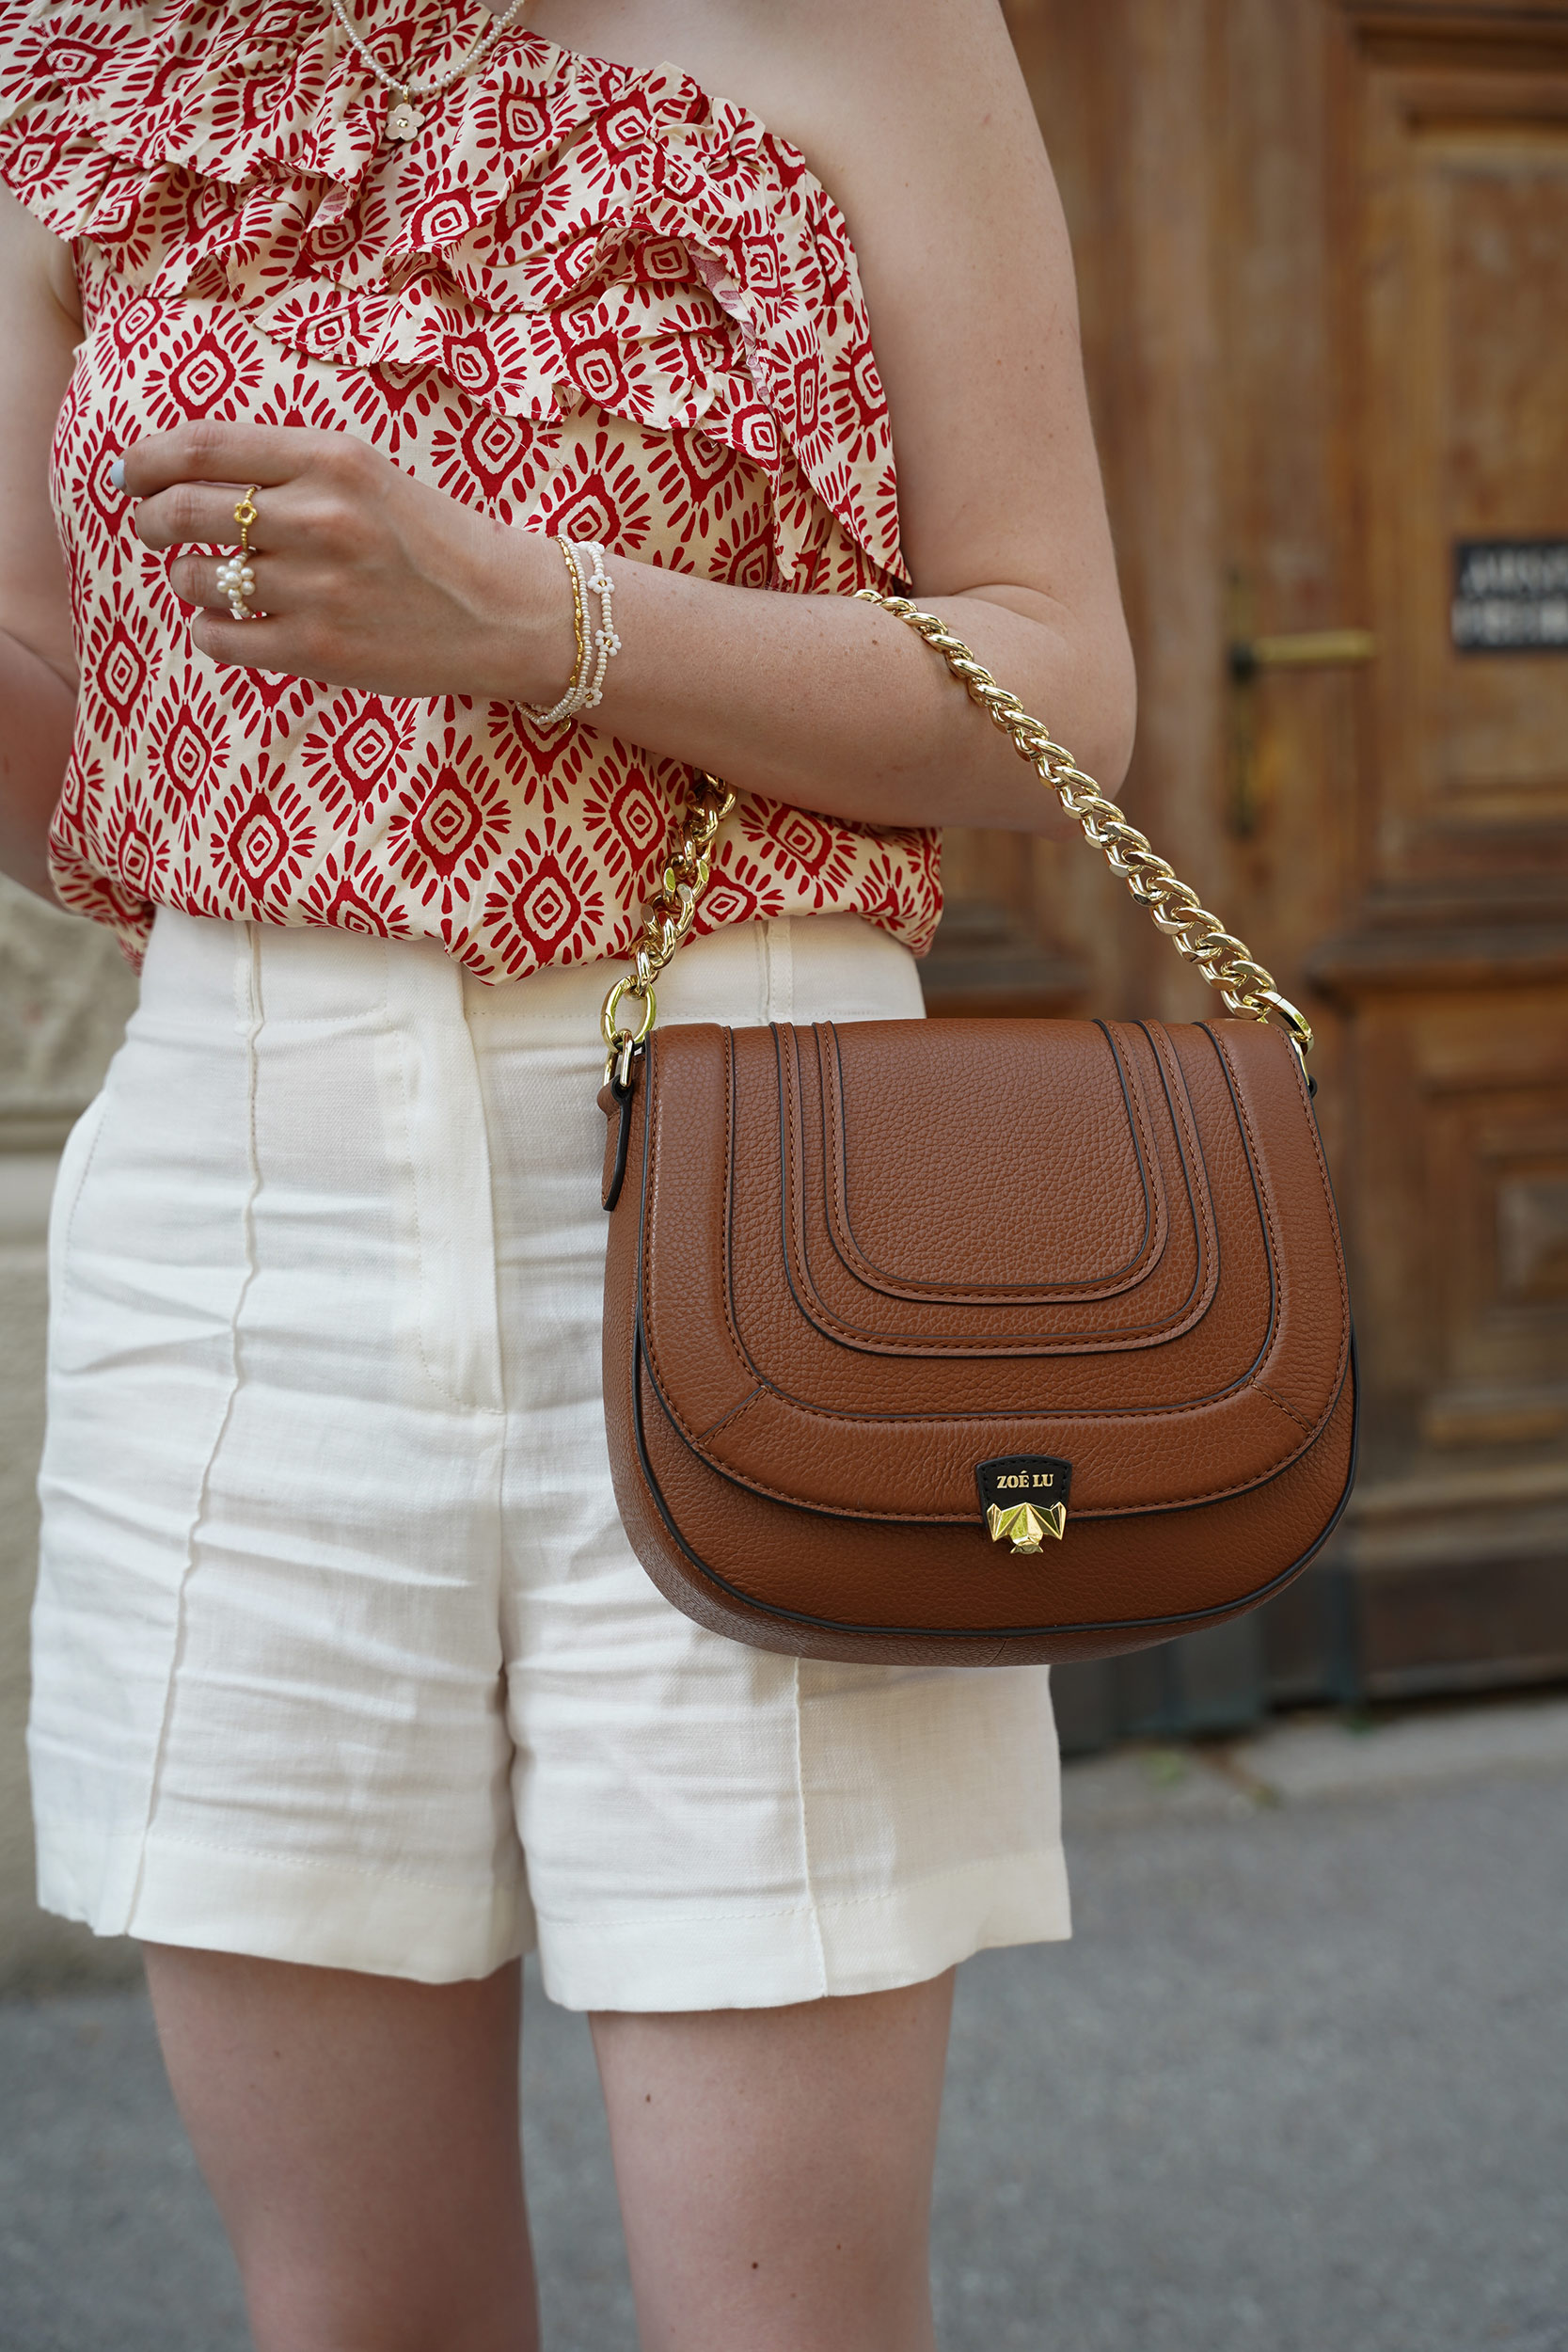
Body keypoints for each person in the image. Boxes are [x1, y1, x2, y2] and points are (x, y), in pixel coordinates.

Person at [0, 0, 1134, 2343]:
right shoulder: (83, 63)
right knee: (350, 2305)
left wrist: (538, 623)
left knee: (782, 2307)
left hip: (758, 1198)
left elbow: (1059, 690)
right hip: (241, 1210)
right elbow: (61, 732)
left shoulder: (872, 31)